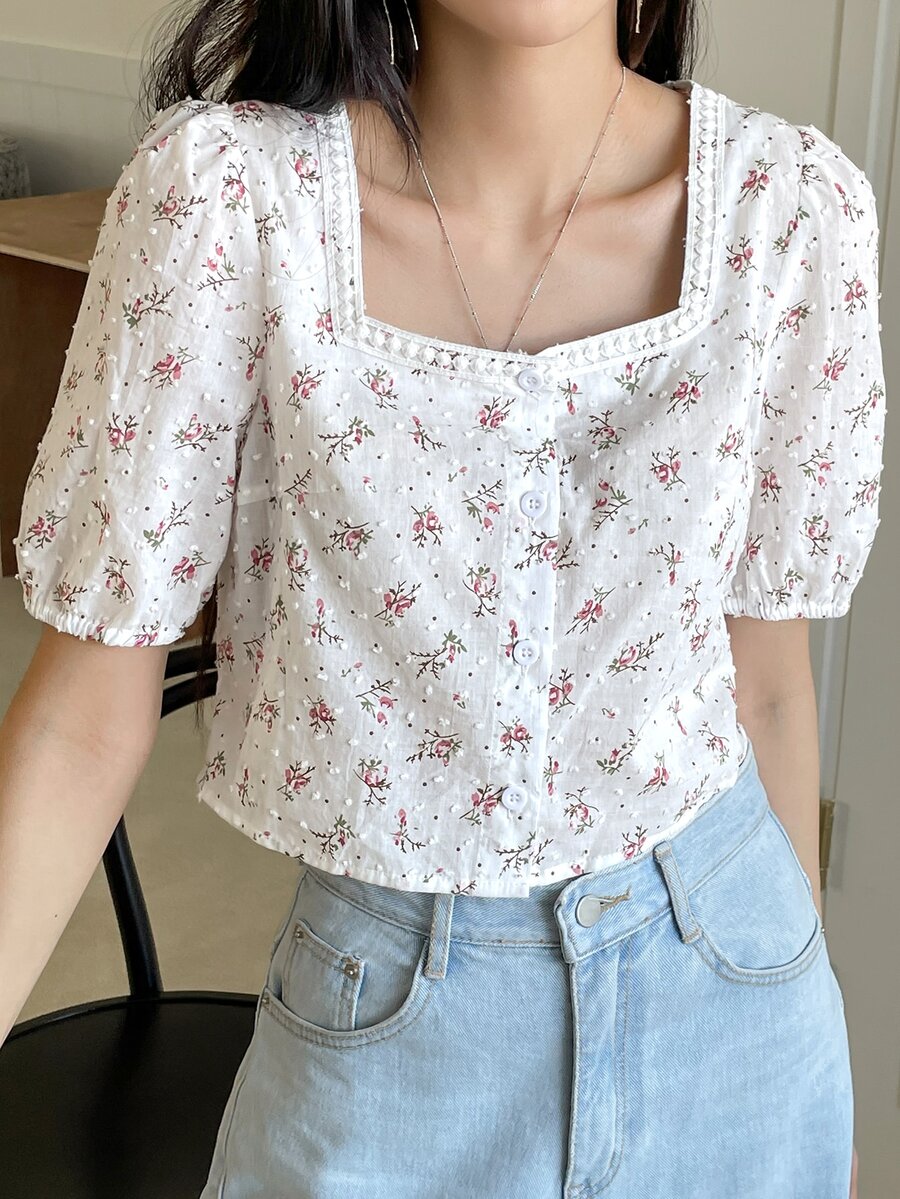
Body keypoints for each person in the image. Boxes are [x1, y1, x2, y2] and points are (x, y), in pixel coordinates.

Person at [0, 0, 885, 1195]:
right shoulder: (227, 205)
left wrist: (804, 1022)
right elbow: (78, 721)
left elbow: (766, 685)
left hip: (739, 1014)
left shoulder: (790, 215)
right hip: (389, 1049)